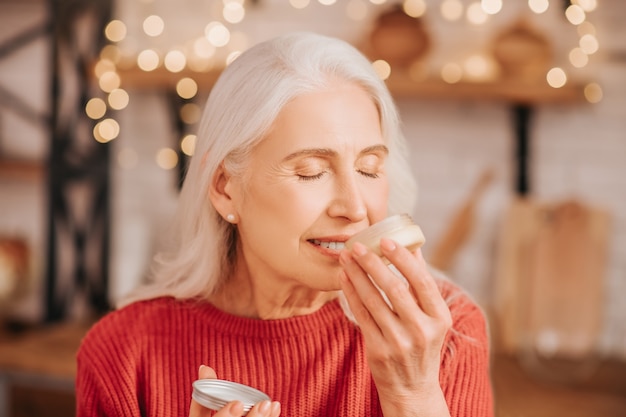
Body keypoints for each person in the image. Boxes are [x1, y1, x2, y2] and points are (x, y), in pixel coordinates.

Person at [76, 31, 493, 417]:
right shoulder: (124, 355)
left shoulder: (443, 333)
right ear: (225, 189)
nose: (354, 207)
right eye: (311, 171)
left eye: (369, 168)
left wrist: (413, 394)